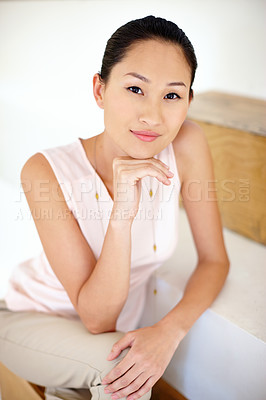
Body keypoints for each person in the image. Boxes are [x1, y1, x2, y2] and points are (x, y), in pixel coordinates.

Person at [0, 15, 230, 400]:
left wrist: (168, 331)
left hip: (104, 337)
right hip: (32, 319)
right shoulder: (45, 171)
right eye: (135, 89)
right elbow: (96, 317)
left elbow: (214, 261)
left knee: (114, 372)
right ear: (100, 90)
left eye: (172, 95)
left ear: (188, 102)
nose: (153, 116)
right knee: (120, 372)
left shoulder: (187, 144)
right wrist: (122, 213)